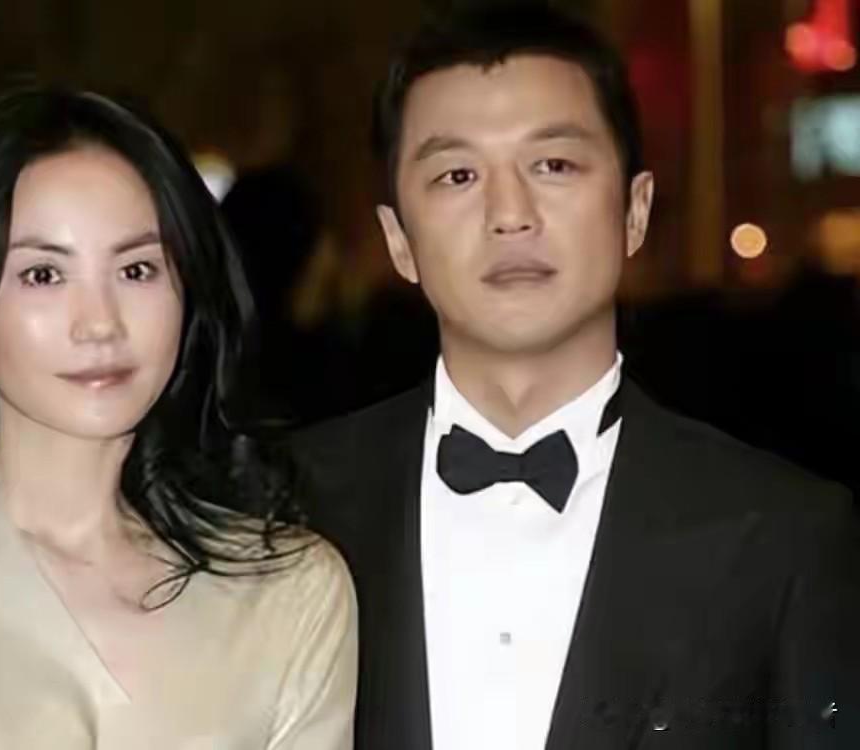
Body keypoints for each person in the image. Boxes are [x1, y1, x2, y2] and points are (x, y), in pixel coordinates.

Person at [290, 6, 859, 749]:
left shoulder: (785, 534)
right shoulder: (282, 509)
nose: (510, 214)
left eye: (553, 165)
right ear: (400, 240)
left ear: (635, 211)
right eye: (458, 175)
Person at [0, 88, 356, 749]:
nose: (100, 323)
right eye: (43, 275)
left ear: (188, 290)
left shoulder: (289, 593)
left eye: (137, 269)